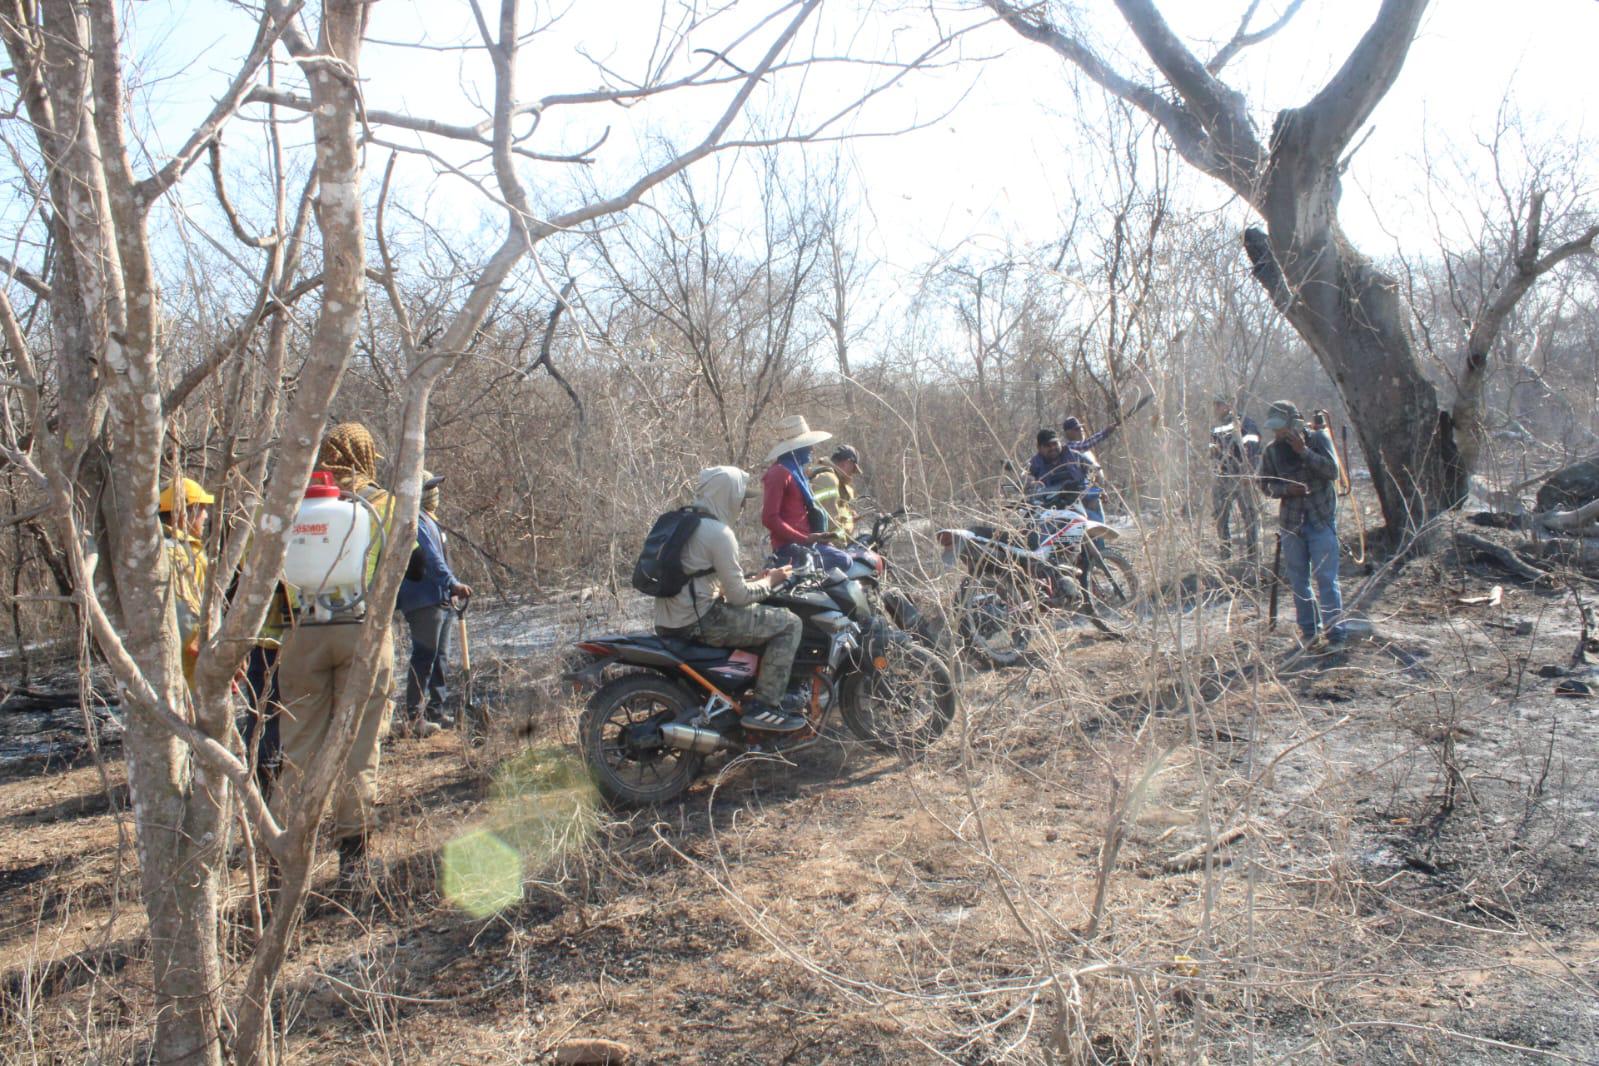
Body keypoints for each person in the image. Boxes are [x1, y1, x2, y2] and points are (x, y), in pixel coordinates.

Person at [274, 422, 399, 893]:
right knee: (359, 746)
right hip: (362, 633)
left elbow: (258, 563)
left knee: (299, 750)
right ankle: (354, 862)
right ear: (366, 454)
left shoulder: (293, 503)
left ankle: (286, 859)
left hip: (301, 633)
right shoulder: (379, 503)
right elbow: (411, 561)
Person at [657, 466, 806, 733]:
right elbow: (738, 598)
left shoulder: (683, 523)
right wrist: (771, 582)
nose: (740, 505)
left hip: (670, 619)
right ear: (727, 496)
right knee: (789, 623)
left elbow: (703, 582)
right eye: (739, 498)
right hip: (700, 620)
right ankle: (765, 706)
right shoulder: (718, 533)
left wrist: (755, 582)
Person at [1257, 401, 1346, 646]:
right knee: (1298, 581)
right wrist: (1287, 490)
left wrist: (1304, 452)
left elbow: (1333, 472)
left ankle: (1335, 633)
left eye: (1282, 428)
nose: (1278, 434)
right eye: (1275, 429)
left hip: (1320, 520)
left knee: (1327, 578)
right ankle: (1309, 632)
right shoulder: (1272, 451)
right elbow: (1264, 485)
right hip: (1291, 524)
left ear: (1295, 423)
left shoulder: (1318, 440)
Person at [396, 473, 471, 738]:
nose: (434, 493)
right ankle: (414, 717)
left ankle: (435, 712)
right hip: (423, 600)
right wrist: (452, 583)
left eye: (435, 487)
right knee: (424, 658)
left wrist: (450, 589)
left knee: (440, 658)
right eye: (429, 488)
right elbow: (430, 558)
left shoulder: (432, 520)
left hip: (441, 599)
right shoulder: (414, 521)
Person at [761, 415, 850, 571]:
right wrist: (805, 538)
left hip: (806, 543)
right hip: (790, 548)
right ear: (795, 449)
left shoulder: (797, 473)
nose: (811, 449)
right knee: (844, 561)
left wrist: (819, 537)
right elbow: (769, 518)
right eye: (807, 445)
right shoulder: (779, 473)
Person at [159, 477, 214, 685]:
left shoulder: (185, 547)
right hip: (187, 662)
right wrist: (203, 648)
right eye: (201, 508)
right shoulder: (174, 552)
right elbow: (183, 606)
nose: (206, 515)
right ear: (183, 512)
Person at [1211, 396, 1262, 562]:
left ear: (1228, 405)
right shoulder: (1216, 427)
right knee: (1220, 516)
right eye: (1215, 405)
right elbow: (1212, 451)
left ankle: (1253, 556)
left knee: (1249, 515)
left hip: (1242, 477)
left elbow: (1253, 449)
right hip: (1222, 477)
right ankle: (1225, 554)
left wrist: (1249, 473)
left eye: (1218, 405)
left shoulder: (1246, 423)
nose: (1216, 408)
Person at [808, 445, 862, 543]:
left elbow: (834, 510)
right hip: (825, 545)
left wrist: (850, 517)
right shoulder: (828, 480)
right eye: (853, 469)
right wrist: (841, 547)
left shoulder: (833, 479)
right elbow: (830, 522)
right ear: (847, 463)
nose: (852, 474)